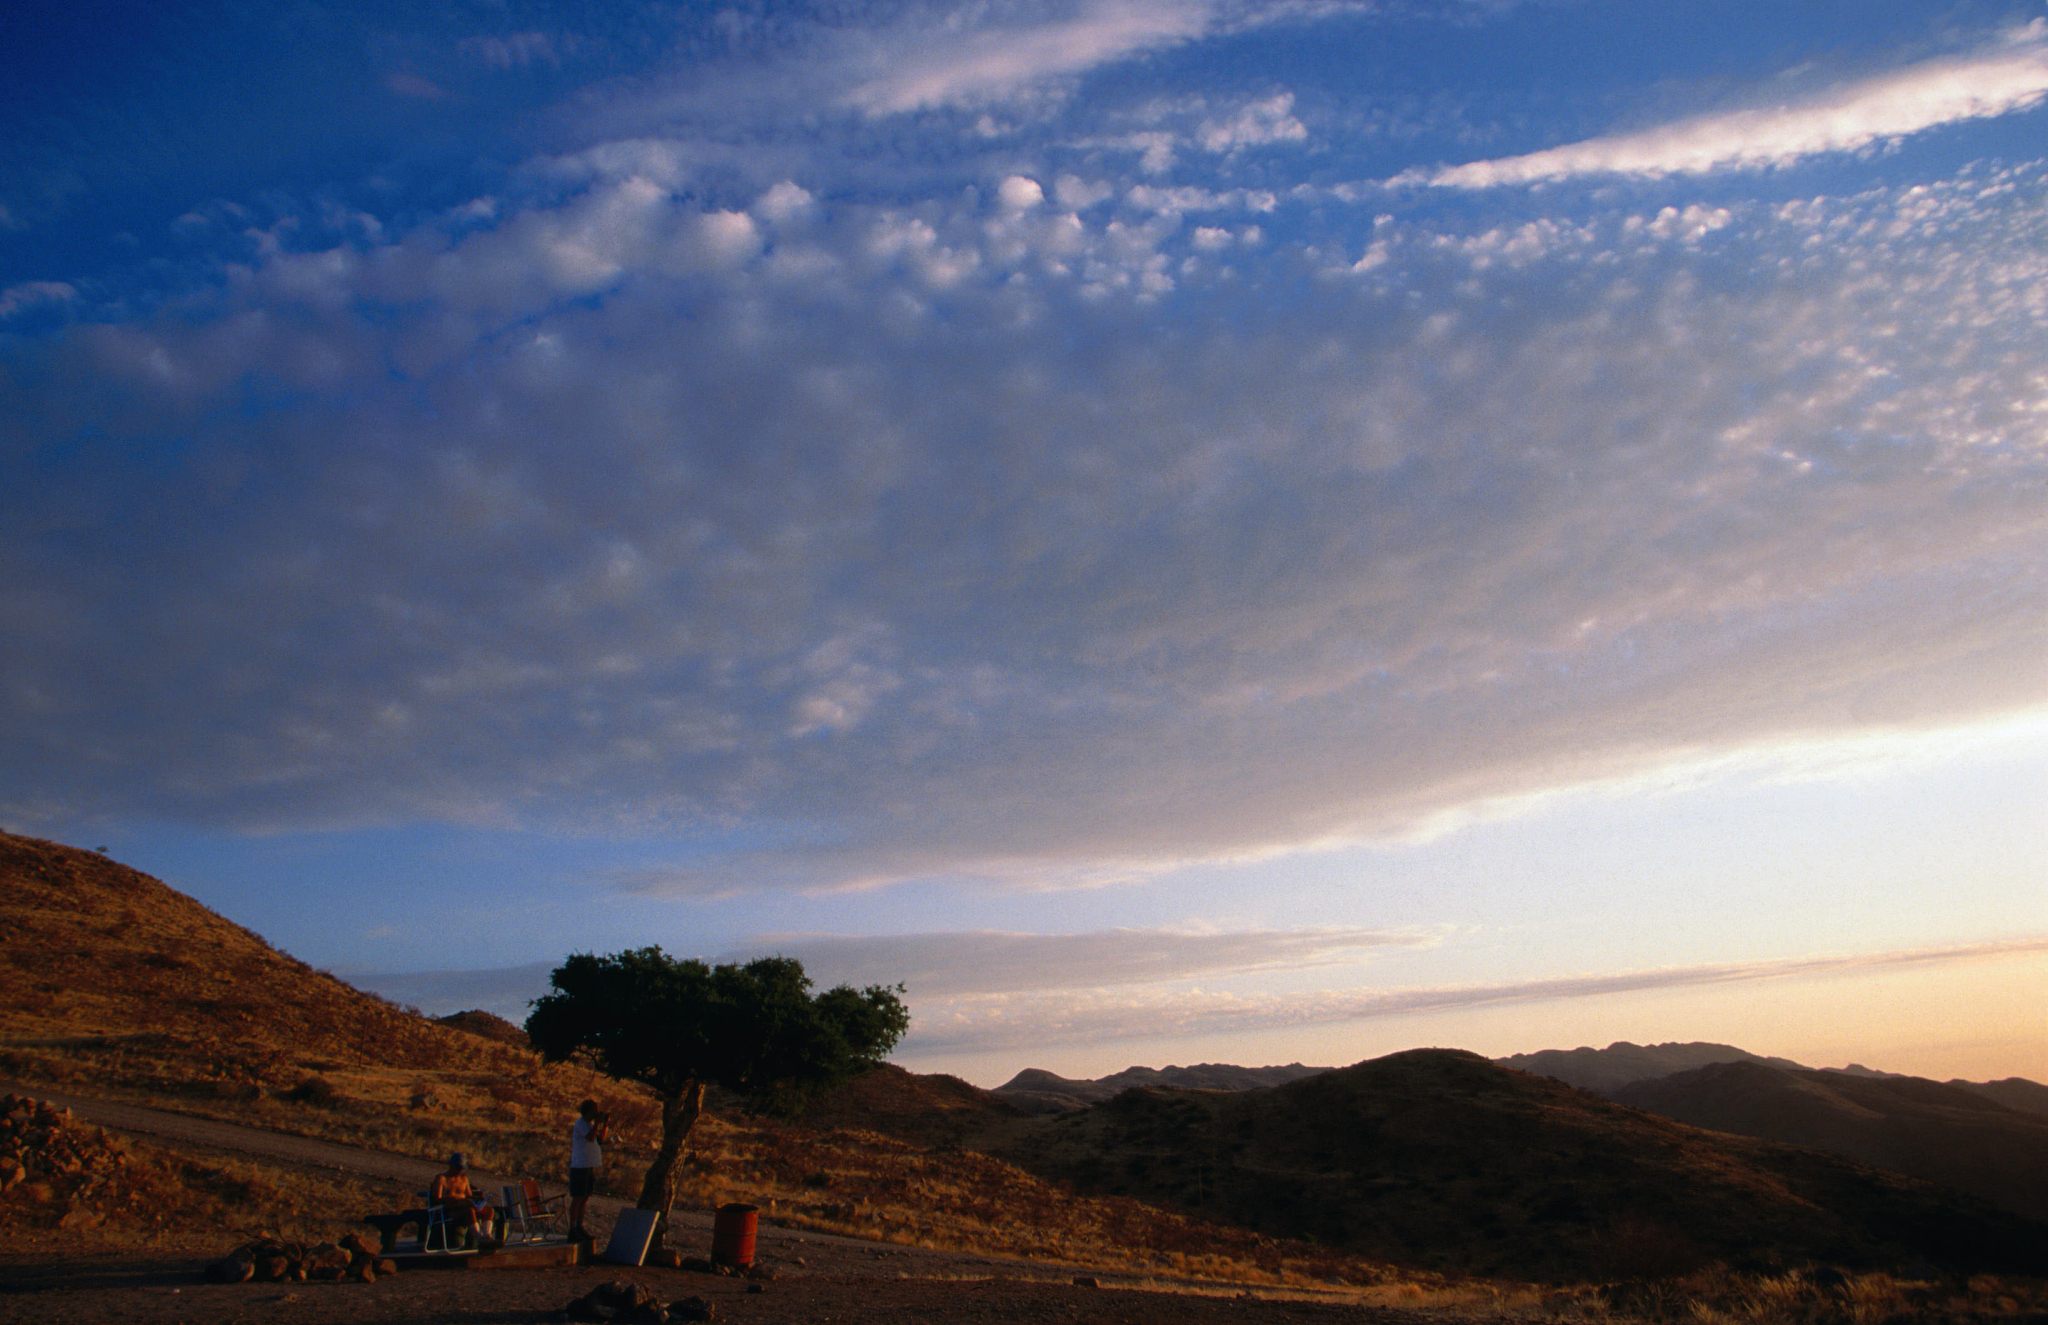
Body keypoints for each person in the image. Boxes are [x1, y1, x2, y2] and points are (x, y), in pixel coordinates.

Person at [428, 1152, 497, 1250]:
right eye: (458, 1168)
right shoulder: (442, 1178)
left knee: (489, 1211)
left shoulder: (464, 1179)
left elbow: (469, 1196)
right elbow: (436, 1199)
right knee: (469, 1210)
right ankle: (480, 1239)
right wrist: (453, 1200)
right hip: (450, 1210)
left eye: (462, 1168)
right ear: (451, 1166)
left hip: (465, 1206)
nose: (460, 1171)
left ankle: (487, 1236)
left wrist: (479, 1198)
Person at [568, 1099, 609, 1239]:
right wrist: (597, 1123)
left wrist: (604, 1124)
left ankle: (579, 1226)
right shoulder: (581, 1124)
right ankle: (573, 1228)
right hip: (579, 1166)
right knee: (577, 1198)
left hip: (588, 1166)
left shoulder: (590, 1124)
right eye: (594, 1111)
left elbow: (600, 1139)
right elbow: (590, 1137)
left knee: (584, 1198)